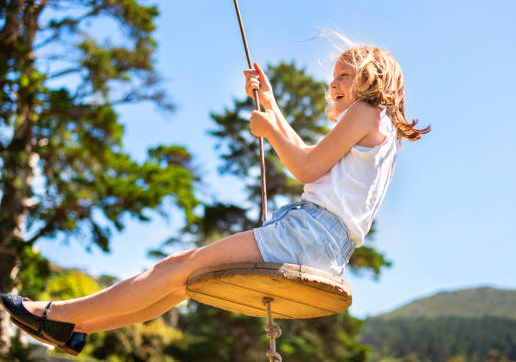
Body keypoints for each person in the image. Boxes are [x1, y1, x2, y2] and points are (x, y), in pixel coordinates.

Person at [1, 40, 430, 355]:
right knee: (184, 284)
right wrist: (271, 105)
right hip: (327, 248)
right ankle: (73, 327)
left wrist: (269, 130)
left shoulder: (364, 111)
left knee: (175, 267)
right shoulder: (380, 129)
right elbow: (309, 159)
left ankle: (56, 312)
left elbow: (303, 168)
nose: (333, 83)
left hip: (308, 233)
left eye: (343, 74)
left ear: (373, 77)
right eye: (333, 75)